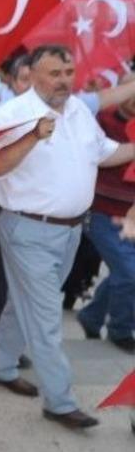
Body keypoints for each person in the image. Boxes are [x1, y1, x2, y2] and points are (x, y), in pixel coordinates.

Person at [0, 45, 135, 429]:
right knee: (46, 318)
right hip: (27, 229)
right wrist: (33, 136)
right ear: (32, 75)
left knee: (25, 305)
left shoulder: (79, 111)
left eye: (68, 71)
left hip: (69, 232)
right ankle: (60, 401)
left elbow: (104, 153)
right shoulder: (13, 114)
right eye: (54, 73)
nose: (64, 80)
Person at [77, 94, 135, 353]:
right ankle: (120, 329)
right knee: (129, 273)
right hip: (101, 213)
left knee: (126, 273)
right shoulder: (100, 121)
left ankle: (91, 316)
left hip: (130, 215)